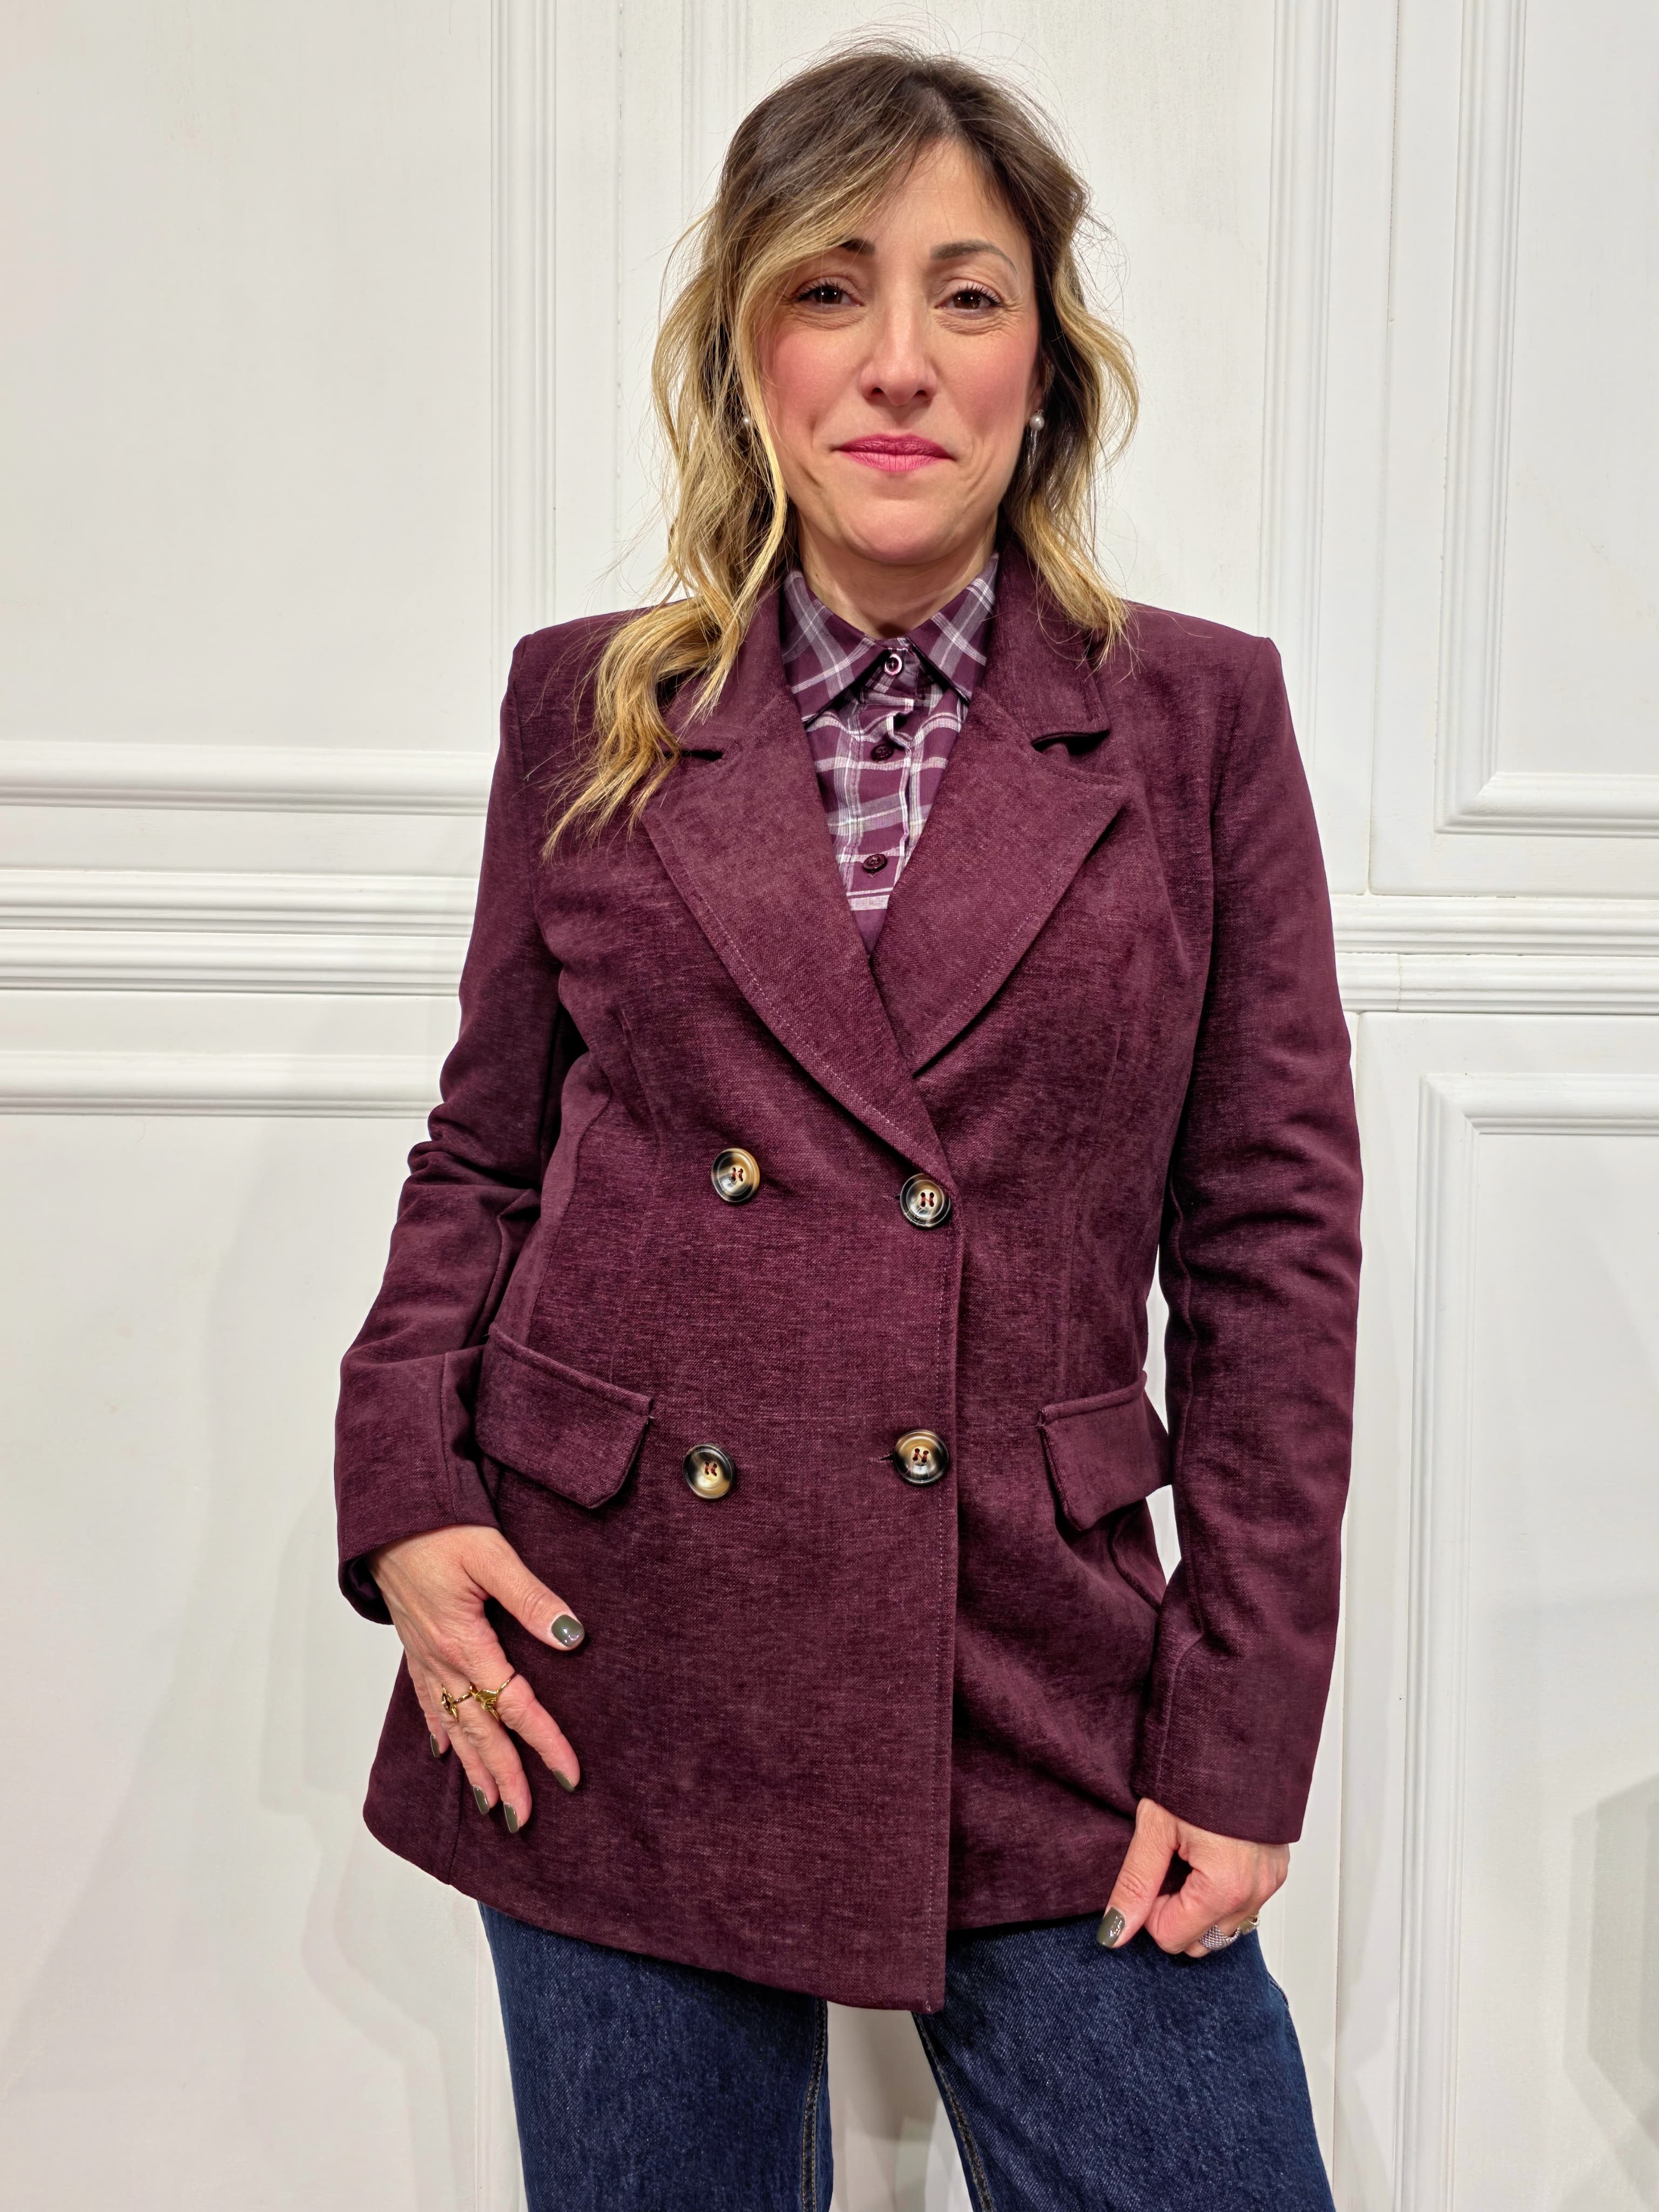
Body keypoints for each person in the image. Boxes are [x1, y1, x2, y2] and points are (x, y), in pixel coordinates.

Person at [334, 42, 1363, 2212]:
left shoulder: (1194, 718)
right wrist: (406, 1487)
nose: (898, 361)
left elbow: (1271, 1245)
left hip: (1039, 1649)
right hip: (616, 1640)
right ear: (748, 348)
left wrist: (1243, 1728)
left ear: (1043, 362)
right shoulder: (594, 701)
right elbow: (485, 1156)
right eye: (829, 287)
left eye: (967, 295)